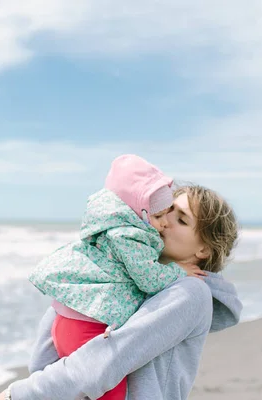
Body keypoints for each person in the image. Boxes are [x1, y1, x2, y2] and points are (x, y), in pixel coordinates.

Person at [0, 183, 242, 400]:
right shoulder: (131, 272)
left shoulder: (190, 292)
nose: (165, 222)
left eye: (182, 219)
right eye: (167, 210)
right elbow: (55, 331)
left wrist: (19, 394)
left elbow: (111, 356)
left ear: (204, 250)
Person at [27, 154, 205, 399]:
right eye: (160, 215)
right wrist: (179, 271)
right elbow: (150, 280)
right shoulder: (131, 238)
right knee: (111, 393)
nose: (164, 224)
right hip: (88, 327)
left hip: (69, 323)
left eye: (176, 217)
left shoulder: (111, 230)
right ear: (138, 212)